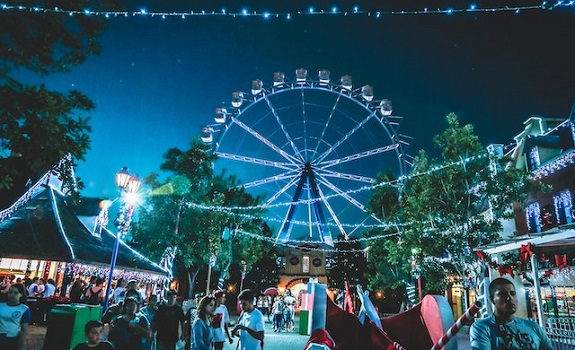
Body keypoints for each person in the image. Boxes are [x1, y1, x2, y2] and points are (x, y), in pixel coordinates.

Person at [470, 278, 553, 350]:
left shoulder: (533, 327)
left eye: (513, 293)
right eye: (502, 294)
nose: (510, 298)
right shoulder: (482, 327)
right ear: (492, 300)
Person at [0, 283, 31, 350]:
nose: (12, 295)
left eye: (15, 293)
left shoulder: (24, 309)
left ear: (21, 294)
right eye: (10, 292)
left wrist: (20, 346)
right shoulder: (1, 306)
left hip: (12, 340)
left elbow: (24, 329)